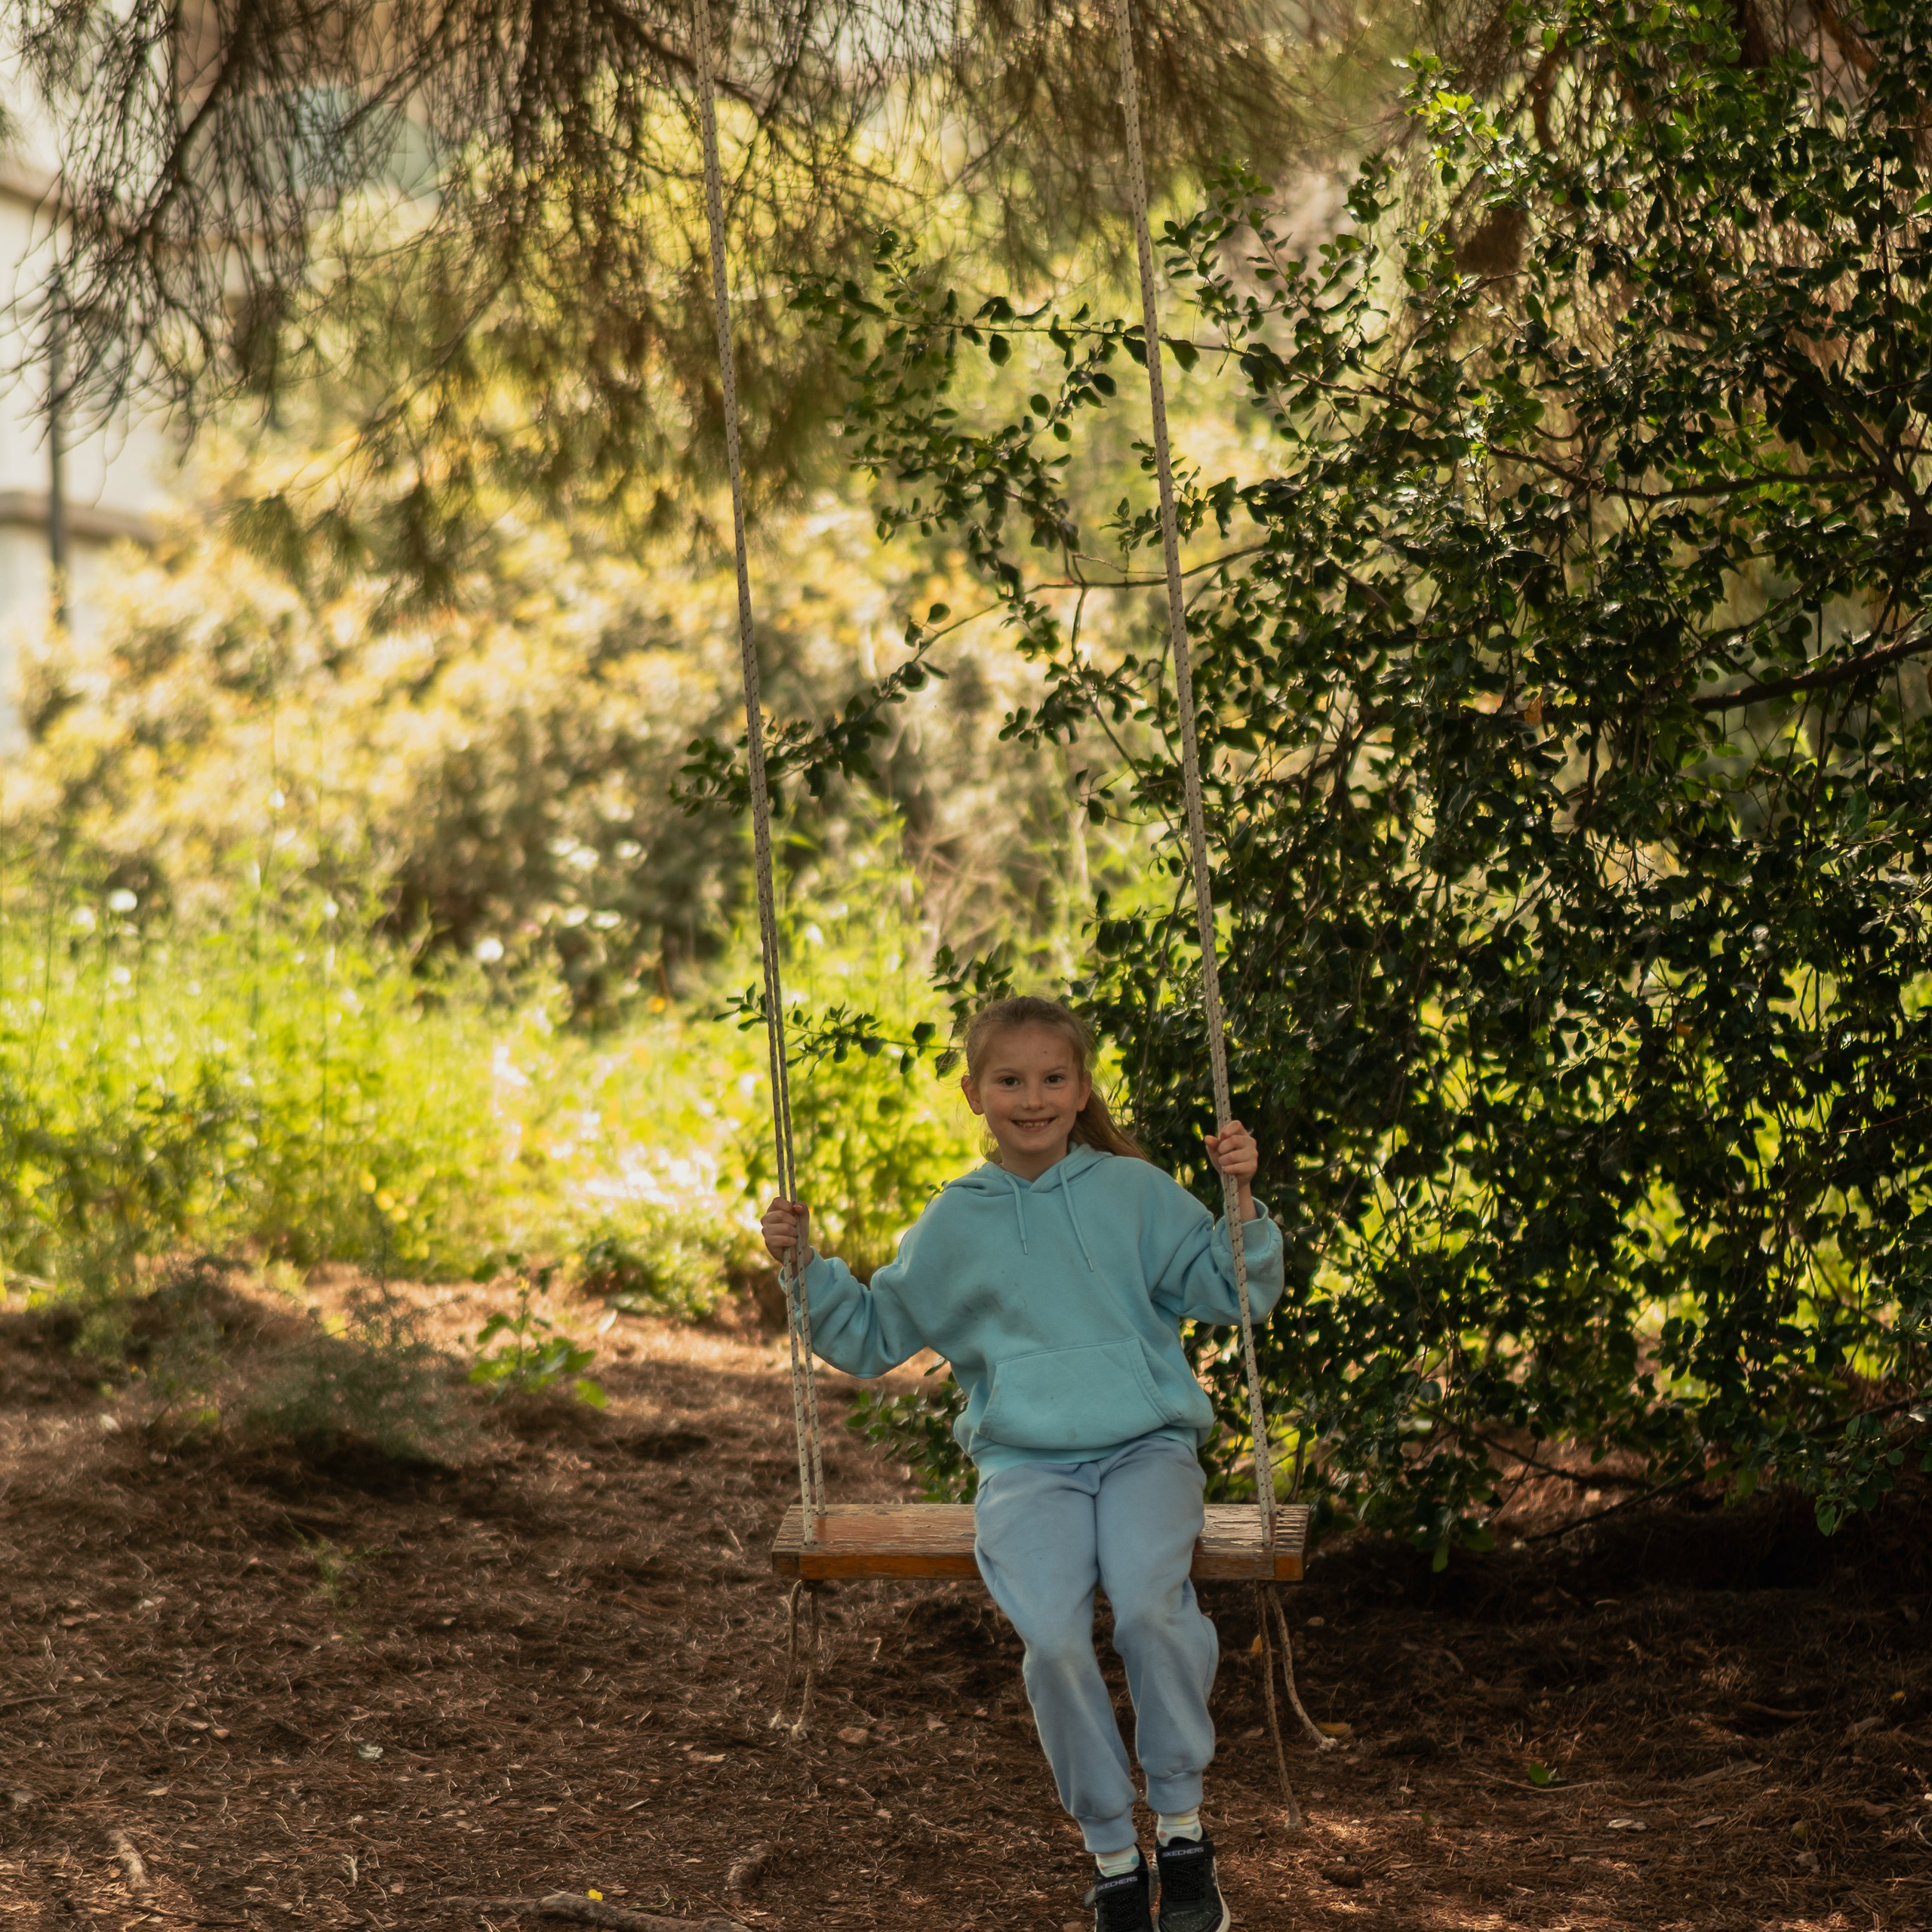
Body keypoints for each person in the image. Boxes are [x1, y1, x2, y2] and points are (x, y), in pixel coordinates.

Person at [761, 994, 1284, 1932]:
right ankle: (1115, 1860)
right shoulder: (956, 1221)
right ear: (974, 1093)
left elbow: (1228, 1291)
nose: (1032, 1097)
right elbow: (877, 1332)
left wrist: (1240, 1199)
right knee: (1049, 1639)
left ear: (1082, 1090)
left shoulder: (1134, 1193)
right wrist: (806, 1270)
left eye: (1052, 1078)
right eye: (1010, 1080)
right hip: (1028, 1468)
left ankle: (1182, 1831)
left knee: (1152, 1610)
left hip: (1144, 1450)